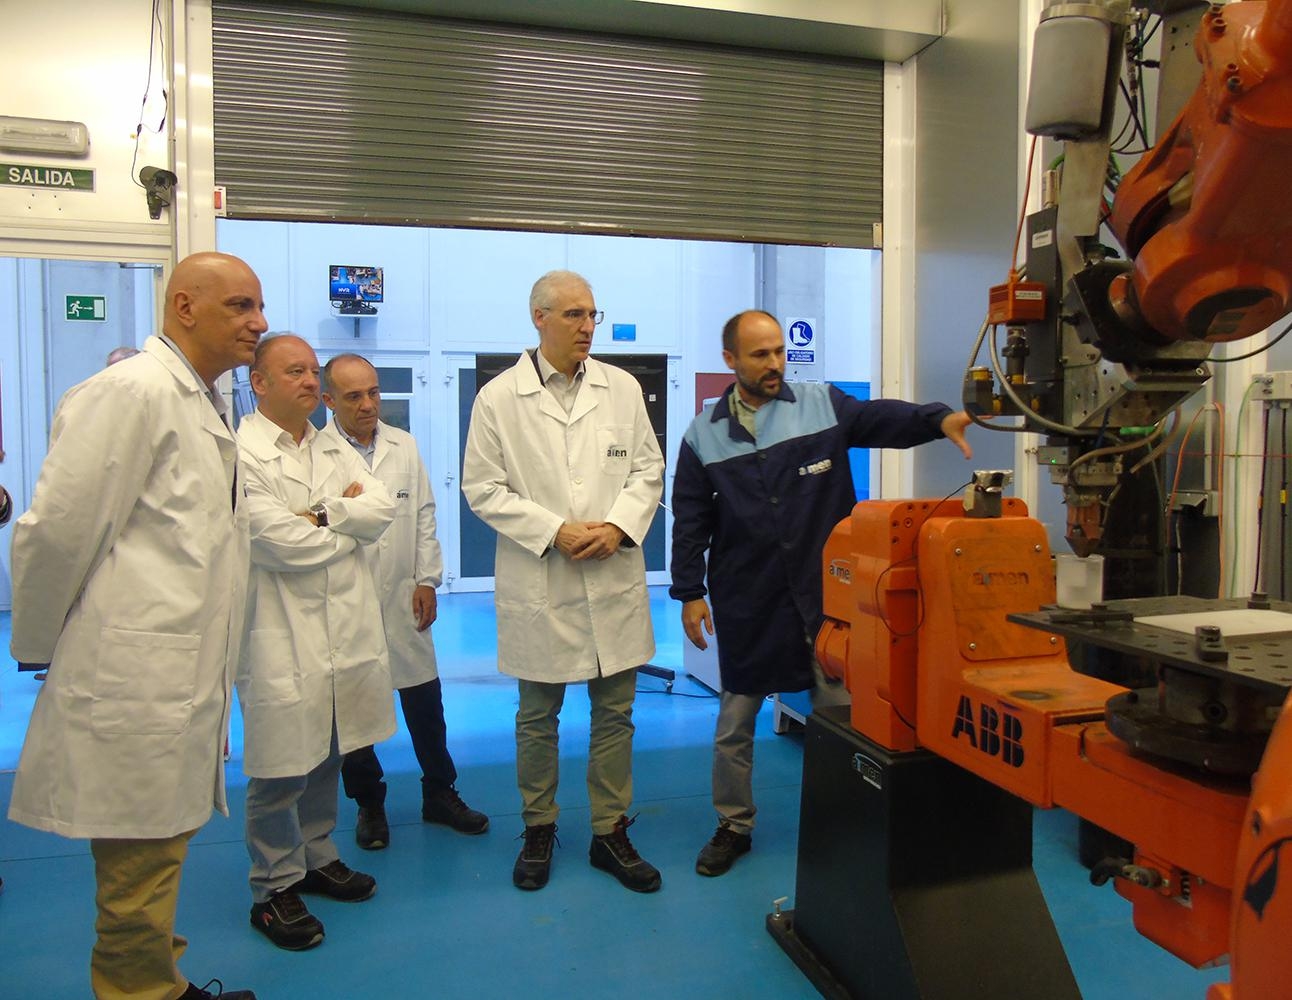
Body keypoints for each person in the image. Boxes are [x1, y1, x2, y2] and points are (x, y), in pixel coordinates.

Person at [7, 251, 266, 1000]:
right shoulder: (130, 392)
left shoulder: (203, 401)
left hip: (175, 670)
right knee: (137, 866)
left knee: (158, 851)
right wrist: (39, 644)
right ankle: (138, 990)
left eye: (258, 306)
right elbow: (57, 534)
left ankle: (160, 981)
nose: (259, 322)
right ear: (184, 307)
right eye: (240, 306)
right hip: (134, 674)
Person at [670, 309, 974, 877]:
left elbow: (881, 419)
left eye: (779, 351)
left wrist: (937, 420)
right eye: (760, 354)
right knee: (734, 724)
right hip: (749, 601)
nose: (775, 364)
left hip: (827, 600)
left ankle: (849, 821)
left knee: (842, 717)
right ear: (730, 359)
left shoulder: (821, 405)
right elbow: (690, 519)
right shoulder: (703, 436)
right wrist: (689, 591)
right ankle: (733, 824)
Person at [462, 270, 665, 893]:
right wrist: (554, 530)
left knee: (616, 714)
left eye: (592, 315)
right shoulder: (498, 398)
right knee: (537, 716)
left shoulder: (621, 388)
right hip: (542, 579)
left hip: (611, 571)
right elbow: (482, 488)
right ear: (539, 318)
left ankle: (609, 830)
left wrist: (619, 526)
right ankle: (539, 826)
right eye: (574, 314)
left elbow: (648, 469)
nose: (587, 327)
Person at [236, 334, 397, 950]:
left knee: (331, 746)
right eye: (294, 371)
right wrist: (343, 523)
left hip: (343, 627)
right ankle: (274, 885)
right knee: (281, 764)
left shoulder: (333, 445)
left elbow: (380, 510)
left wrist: (319, 515)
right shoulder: (242, 452)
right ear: (259, 383)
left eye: (311, 371)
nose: (309, 381)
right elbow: (273, 541)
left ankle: (317, 854)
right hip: (280, 632)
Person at [319, 353, 488, 848]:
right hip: (345, 601)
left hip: (402, 594)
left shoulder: (403, 445)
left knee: (425, 703)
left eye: (373, 392)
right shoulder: (317, 455)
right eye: (354, 396)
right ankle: (369, 804)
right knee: (354, 711)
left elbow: (424, 514)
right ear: (328, 400)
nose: (368, 404)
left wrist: (427, 580)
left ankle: (440, 792)